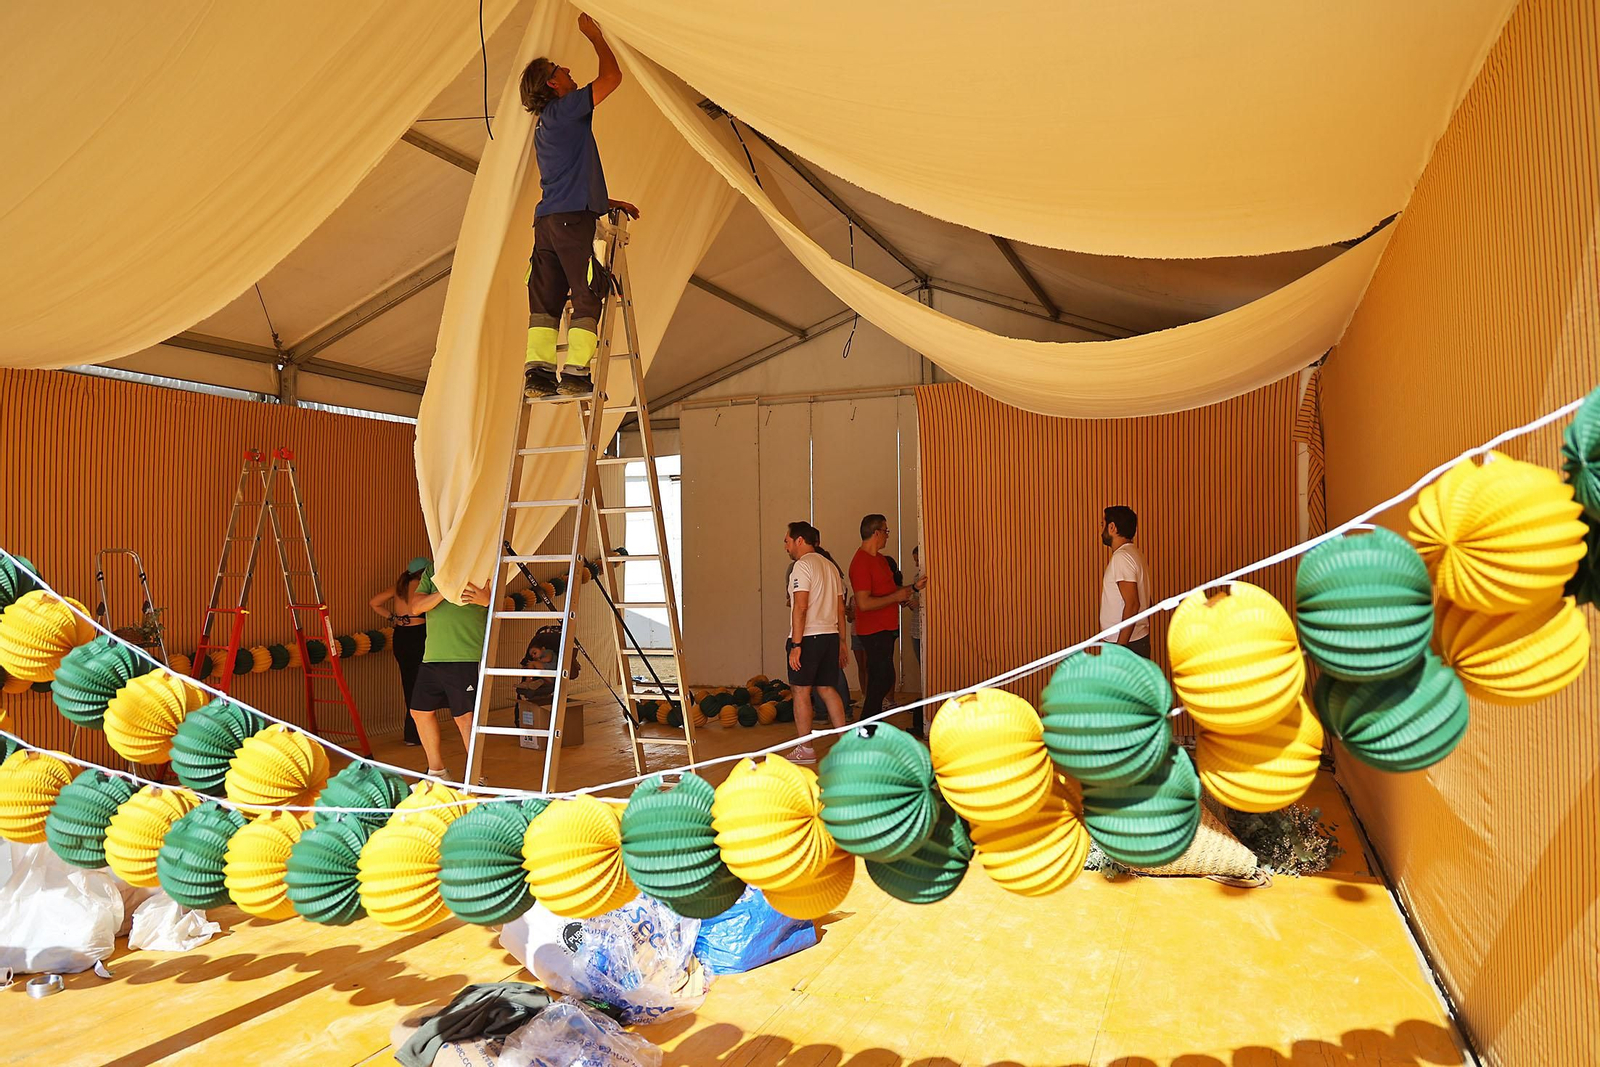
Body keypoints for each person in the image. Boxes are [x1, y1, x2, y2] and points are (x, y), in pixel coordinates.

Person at [519, 13, 641, 399]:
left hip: (549, 223)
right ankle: (575, 373)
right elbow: (612, 80)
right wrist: (595, 37)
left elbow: (565, 179)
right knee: (588, 291)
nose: (568, 70)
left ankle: (538, 375)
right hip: (571, 223)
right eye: (560, 69)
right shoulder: (566, 108)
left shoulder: (544, 125)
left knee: (545, 300)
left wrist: (606, 201)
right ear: (554, 84)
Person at [406, 563, 494, 780]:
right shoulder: (432, 570)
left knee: (465, 718)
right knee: (419, 712)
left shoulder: (483, 565)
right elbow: (416, 607)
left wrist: (488, 600)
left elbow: (499, 603)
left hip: (465, 656)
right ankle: (437, 771)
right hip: (432, 656)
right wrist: (445, 592)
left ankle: (477, 777)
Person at [850, 514, 926, 732]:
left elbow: (892, 592)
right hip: (872, 630)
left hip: (887, 629)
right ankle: (866, 727)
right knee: (882, 676)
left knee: (882, 676)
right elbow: (863, 603)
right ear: (876, 533)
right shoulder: (861, 563)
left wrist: (912, 588)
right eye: (886, 531)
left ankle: (872, 724)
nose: (887, 536)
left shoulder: (881, 560)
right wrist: (896, 597)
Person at [783, 521, 849, 765]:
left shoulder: (801, 567)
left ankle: (805, 748)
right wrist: (842, 642)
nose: (786, 546)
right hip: (830, 636)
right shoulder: (831, 567)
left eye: (787, 541)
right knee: (826, 688)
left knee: (800, 691)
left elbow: (800, 607)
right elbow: (841, 610)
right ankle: (845, 742)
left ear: (800, 540)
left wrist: (797, 645)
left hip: (808, 638)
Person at [369, 556, 430, 746]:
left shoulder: (400, 586)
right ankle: (419, 731)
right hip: (419, 635)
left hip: (401, 635)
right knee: (423, 684)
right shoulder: (423, 585)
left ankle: (412, 733)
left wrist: (392, 617)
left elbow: (374, 602)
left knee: (409, 683)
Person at [1100, 505, 1152, 658]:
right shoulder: (1136, 555)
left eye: (1103, 525)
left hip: (1125, 644)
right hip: (1135, 640)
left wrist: (1120, 648)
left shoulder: (1121, 558)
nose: (1101, 530)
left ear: (1112, 527)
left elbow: (1133, 604)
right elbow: (1146, 601)